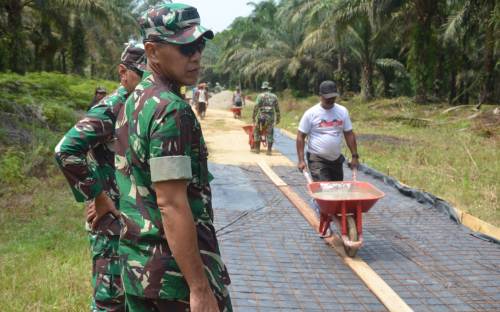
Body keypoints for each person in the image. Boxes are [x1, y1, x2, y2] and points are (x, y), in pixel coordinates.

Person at [113, 3, 232, 311]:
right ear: (152, 51)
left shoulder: (136, 100)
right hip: (173, 282)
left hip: (140, 270)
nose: (195, 55)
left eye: (199, 45)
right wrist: (200, 288)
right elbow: (171, 203)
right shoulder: (170, 110)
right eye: (185, 47)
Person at [54, 42, 146, 312]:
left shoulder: (142, 107)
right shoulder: (111, 109)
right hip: (111, 229)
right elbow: (66, 150)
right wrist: (98, 195)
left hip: (135, 225)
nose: (146, 84)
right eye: (142, 76)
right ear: (123, 72)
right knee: (110, 304)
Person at [296, 80, 359, 182]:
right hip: (317, 159)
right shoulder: (311, 113)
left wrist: (354, 156)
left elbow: (349, 134)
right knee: (325, 189)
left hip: (336, 159)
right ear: (320, 95)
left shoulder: (342, 111)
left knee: (336, 190)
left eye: (333, 97)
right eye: (327, 97)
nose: (330, 100)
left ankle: (318, 198)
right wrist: (301, 160)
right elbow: (300, 136)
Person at [252, 81, 280, 155]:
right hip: (270, 118)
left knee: (256, 131)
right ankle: (269, 151)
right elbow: (277, 109)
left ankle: (257, 149)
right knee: (270, 133)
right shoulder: (274, 96)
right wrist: (278, 119)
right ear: (268, 88)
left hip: (261, 117)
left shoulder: (260, 96)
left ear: (263, 88)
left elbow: (256, 107)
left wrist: (253, 117)